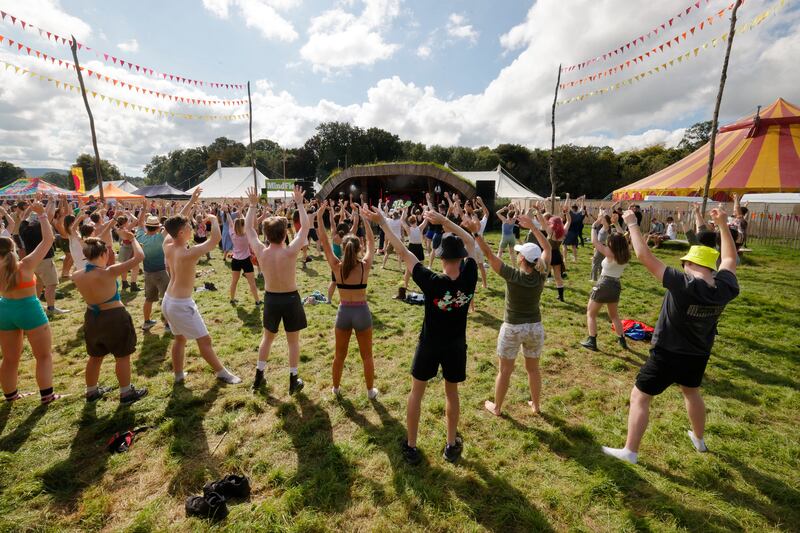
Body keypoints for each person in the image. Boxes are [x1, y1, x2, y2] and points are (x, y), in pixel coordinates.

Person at [601, 207, 739, 464]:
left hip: (666, 353)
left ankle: (630, 451)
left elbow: (643, 255)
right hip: (698, 354)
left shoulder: (682, 283)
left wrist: (631, 222)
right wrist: (722, 225)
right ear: (712, 267)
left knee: (640, 396)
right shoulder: (725, 287)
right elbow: (730, 259)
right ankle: (699, 440)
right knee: (692, 392)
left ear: (689, 264)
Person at [363, 204, 477, 465]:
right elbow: (471, 240)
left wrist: (382, 222)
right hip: (456, 345)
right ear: (460, 258)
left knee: (417, 392)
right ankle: (450, 445)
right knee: (452, 393)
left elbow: (402, 252)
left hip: (429, 344)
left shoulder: (432, 281)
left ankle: (411, 446)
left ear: (442, 257)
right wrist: (445, 220)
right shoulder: (470, 275)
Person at [161, 190, 242, 385]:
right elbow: (214, 240)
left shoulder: (168, 244)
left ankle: (179, 375)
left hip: (168, 301)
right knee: (204, 341)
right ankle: (222, 373)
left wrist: (191, 202)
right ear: (181, 233)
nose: (192, 227)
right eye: (189, 226)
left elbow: (174, 224)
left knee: (179, 339)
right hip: (181, 304)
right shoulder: (187, 253)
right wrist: (214, 219)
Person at [476, 211, 551, 416]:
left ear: (522, 259)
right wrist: (534, 228)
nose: (517, 255)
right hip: (535, 327)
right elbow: (548, 247)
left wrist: (476, 234)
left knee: (505, 371)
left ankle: (498, 408)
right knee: (533, 369)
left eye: (519, 253)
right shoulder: (542, 274)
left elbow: (489, 255)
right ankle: (535, 406)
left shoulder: (512, 275)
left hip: (512, 328)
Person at [245, 186, 309, 395]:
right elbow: (305, 229)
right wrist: (299, 203)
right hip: (290, 299)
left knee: (267, 338)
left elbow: (248, 230)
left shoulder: (262, 252)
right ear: (284, 234)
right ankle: (293, 378)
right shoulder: (291, 252)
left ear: (266, 234)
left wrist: (253, 206)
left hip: (271, 299)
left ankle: (258, 375)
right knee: (293, 342)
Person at [71, 233, 148, 405]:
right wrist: (132, 238)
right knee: (122, 356)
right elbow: (140, 256)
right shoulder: (110, 271)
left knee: (95, 356)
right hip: (114, 317)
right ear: (104, 254)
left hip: (91, 317)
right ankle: (126, 393)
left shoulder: (76, 275)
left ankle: (91, 391)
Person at [0, 198, 61, 404]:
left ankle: (11, 396)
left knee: (9, 359)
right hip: (28, 309)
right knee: (43, 356)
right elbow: (48, 240)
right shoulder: (25, 265)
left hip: (5, 310)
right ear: (14, 249)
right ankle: (47, 396)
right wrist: (42, 215)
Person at [317, 202, 378, 399]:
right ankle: (370, 391)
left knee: (339, 356)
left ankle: (335, 388)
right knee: (367, 356)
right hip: (361, 312)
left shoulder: (337, 266)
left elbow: (325, 243)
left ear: (342, 248)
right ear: (358, 248)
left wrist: (319, 217)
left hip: (343, 312)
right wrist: (363, 218)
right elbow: (371, 241)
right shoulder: (365, 266)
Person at [580, 209, 630, 351]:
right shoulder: (625, 253)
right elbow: (623, 237)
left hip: (604, 283)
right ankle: (622, 340)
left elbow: (595, 242)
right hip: (616, 285)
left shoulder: (609, 253)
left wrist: (594, 226)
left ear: (613, 244)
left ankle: (592, 341)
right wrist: (616, 225)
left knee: (591, 313)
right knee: (614, 316)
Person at [18, 201, 69, 315]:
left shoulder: (23, 228)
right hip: (45, 259)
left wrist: (31, 208)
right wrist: (50, 201)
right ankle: (51, 309)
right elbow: (48, 216)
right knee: (51, 284)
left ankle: (35, 306)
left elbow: (24, 217)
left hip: (32, 260)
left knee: (38, 283)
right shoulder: (40, 227)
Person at [136, 203, 171, 332]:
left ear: (146, 226)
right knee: (166, 299)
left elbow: (139, 223)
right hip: (161, 272)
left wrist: (143, 208)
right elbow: (169, 224)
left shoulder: (140, 236)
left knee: (148, 299)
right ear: (157, 227)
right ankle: (167, 325)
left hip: (147, 273)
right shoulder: (160, 237)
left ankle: (146, 322)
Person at [226, 211, 261, 306]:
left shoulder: (232, 233)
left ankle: (232, 299)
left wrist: (226, 212)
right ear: (243, 226)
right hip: (246, 261)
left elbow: (230, 222)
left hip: (235, 261)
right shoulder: (247, 235)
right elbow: (249, 223)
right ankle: (257, 301)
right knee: (252, 283)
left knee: (234, 282)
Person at [535, 203, 568, 302]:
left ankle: (537, 296)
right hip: (557, 255)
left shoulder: (551, 232)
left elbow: (541, 221)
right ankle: (561, 297)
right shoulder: (563, 232)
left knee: (543, 276)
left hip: (549, 255)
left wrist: (538, 211)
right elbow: (569, 221)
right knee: (558, 277)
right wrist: (567, 213)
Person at [400, 206, 429, 290]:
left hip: (412, 248)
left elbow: (401, 221)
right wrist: (426, 209)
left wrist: (404, 211)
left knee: (409, 268)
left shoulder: (409, 229)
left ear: (409, 222)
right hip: (418, 248)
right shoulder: (419, 228)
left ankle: (405, 285)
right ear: (416, 221)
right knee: (421, 267)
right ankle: (422, 285)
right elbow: (426, 220)